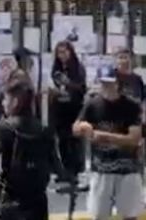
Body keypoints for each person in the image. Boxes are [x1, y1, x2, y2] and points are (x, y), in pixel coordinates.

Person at [73, 66, 145, 220]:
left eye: (110, 83)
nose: (107, 87)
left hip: (127, 168)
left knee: (130, 214)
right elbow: (75, 128)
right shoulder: (92, 104)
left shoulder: (130, 106)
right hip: (101, 168)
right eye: (103, 83)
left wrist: (103, 136)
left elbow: (134, 139)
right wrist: (82, 127)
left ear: (118, 83)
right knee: (99, 214)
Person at [0, 79, 56, 220]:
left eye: (5, 99)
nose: (3, 103)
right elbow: (55, 163)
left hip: (12, 198)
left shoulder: (4, 128)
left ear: (15, 102)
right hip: (38, 200)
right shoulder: (44, 129)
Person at [49, 40, 87, 184]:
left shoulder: (77, 68)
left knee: (74, 140)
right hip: (60, 108)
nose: (62, 55)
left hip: (74, 108)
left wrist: (68, 83)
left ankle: (75, 171)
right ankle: (64, 170)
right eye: (59, 53)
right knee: (62, 140)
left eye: (65, 52)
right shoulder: (56, 69)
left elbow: (82, 88)